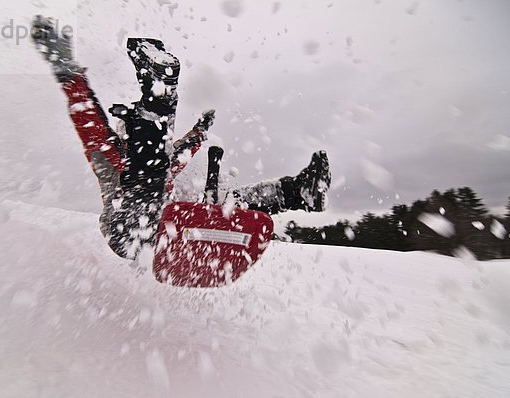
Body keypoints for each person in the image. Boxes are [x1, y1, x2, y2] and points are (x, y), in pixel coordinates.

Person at [31, 16, 332, 260]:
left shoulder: (162, 162)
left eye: (131, 135)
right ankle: (159, 91)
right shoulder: (107, 156)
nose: (126, 139)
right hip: (125, 231)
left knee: (230, 201)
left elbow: (184, 150)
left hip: (170, 230)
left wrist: (201, 128)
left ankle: (299, 192)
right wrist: (65, 69)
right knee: (149, 170)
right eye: (128, 135)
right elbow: (88, 119)